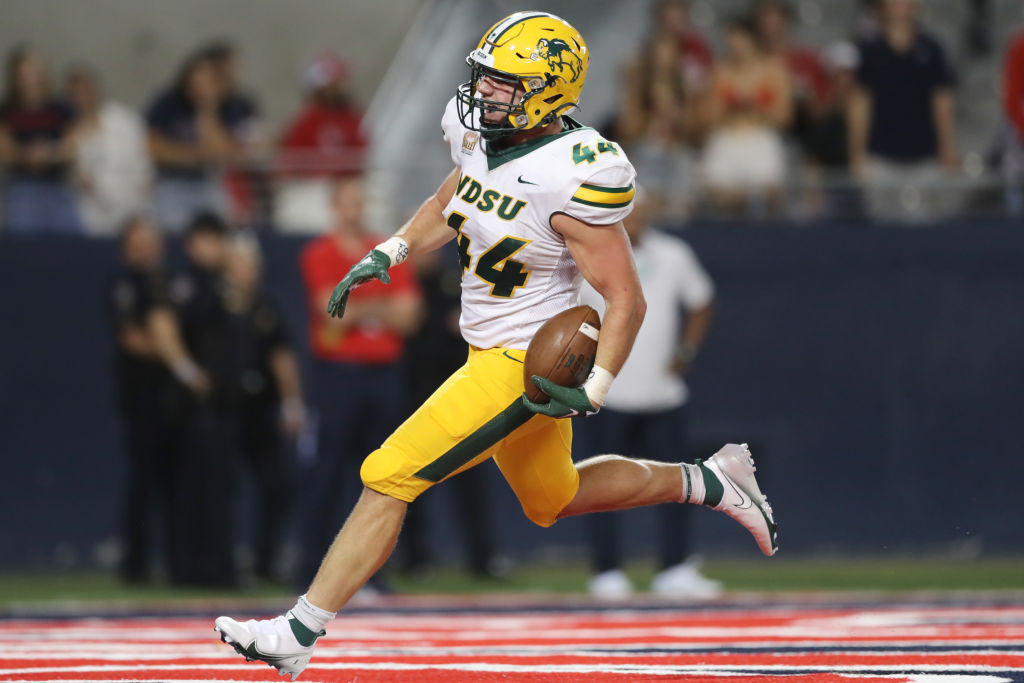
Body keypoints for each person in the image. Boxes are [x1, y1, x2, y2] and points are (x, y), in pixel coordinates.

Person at [215, 13, 777, 680]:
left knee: (388, 473)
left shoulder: (577, 173)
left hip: (524, 363)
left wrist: (595, 387)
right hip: (484, 351)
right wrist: (392, 249)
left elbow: (627, 298)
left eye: (504, 85)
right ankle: (711, 479)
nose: (484, 95)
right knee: (553, 497)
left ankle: (298, 630)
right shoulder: (481, 135)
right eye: (485, 79)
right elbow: (456, 193)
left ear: (547, 91)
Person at [577, 190, 719, 600]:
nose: (635, 216)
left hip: (664, 395)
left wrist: (686, 349)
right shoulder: (588, 255)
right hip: (607, 392)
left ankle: (674, 568)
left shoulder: (673, 254)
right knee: (601, 487)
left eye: (641, 209)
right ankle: (606, 571)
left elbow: (702, 300)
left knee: (676, 485)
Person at [295, 174, 421, 588]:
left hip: (382, 375)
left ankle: (373, 573)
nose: (355, 208)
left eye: (358, 200)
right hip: (339, 376)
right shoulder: (320, 253)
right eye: (347, 201)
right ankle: (313, 566)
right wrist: (379, 306)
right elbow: (332, 311)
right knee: (327, 472)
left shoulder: (386, 250)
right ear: (335, 206)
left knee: (382, 475)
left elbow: (409, 316)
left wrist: (360, 304)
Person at [107, 217, 179, 583]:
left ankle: (172, 560)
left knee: (173, 482)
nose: (148, 247)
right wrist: (177, 356)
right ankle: (135, 563)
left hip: (171, 397)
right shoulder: (126, 285)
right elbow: (132, 338)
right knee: (143, 481)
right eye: (140, 241)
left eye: (151, 240)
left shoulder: (165, 283)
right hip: (142, 396)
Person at [848, 0, 959, 222]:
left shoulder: (932, 49)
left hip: (925, 158)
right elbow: (860, 103)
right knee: (881, 232)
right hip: (881, 159)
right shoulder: (870, 51)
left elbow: (942, 102)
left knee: (926, 235)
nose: (902, 5)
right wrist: (857, 153)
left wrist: (947, 147)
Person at [145, 54, 253, 234]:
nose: (201, 87)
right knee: (171, 229)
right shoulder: (168, 103)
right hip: (171, 182)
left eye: (208, 82)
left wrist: (207, 108)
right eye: (196, 81)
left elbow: (222, 152)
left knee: (226, 226)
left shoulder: (226, 106)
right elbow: (153, 147)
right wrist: (194, 155)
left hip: (207, 182)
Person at [700, 16, 792, 215]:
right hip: (727, 138)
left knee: (769, 192)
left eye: (738, 39)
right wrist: (731, 108)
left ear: (752, 39)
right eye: (730, 40)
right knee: (717, 192)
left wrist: (754, 108)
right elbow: (708, 117)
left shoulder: (774, 70)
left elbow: (785, 116)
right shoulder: (720, 72)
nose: (734, 45)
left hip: (761, 137)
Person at [274, 52, 369, 233]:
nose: (339, 88)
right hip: (313, 189)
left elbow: (362, 155)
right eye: (333, 84)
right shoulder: (303, 122)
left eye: (340, 82)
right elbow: (287, 165)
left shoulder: (352, 118)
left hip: (347, 187)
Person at [0, 46, 82, 234]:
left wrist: (49, 154)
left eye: (35, 72)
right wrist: (27, 156)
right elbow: (5, 152)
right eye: (26, 73)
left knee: (71, 237)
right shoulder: (7, 112)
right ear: (16, 78)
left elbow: (72, 147)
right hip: (22, 188)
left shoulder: (60, 108)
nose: (32, 79)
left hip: (57, 185)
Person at [66, 66, 152, 236]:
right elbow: (72, 173)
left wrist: (140, 197)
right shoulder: (71, 131)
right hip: (92, 213)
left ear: (96, 89)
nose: (83, 96)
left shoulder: (126, 120)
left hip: (132, 204)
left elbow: (143, 163)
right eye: (76, 93)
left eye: (86, 89)